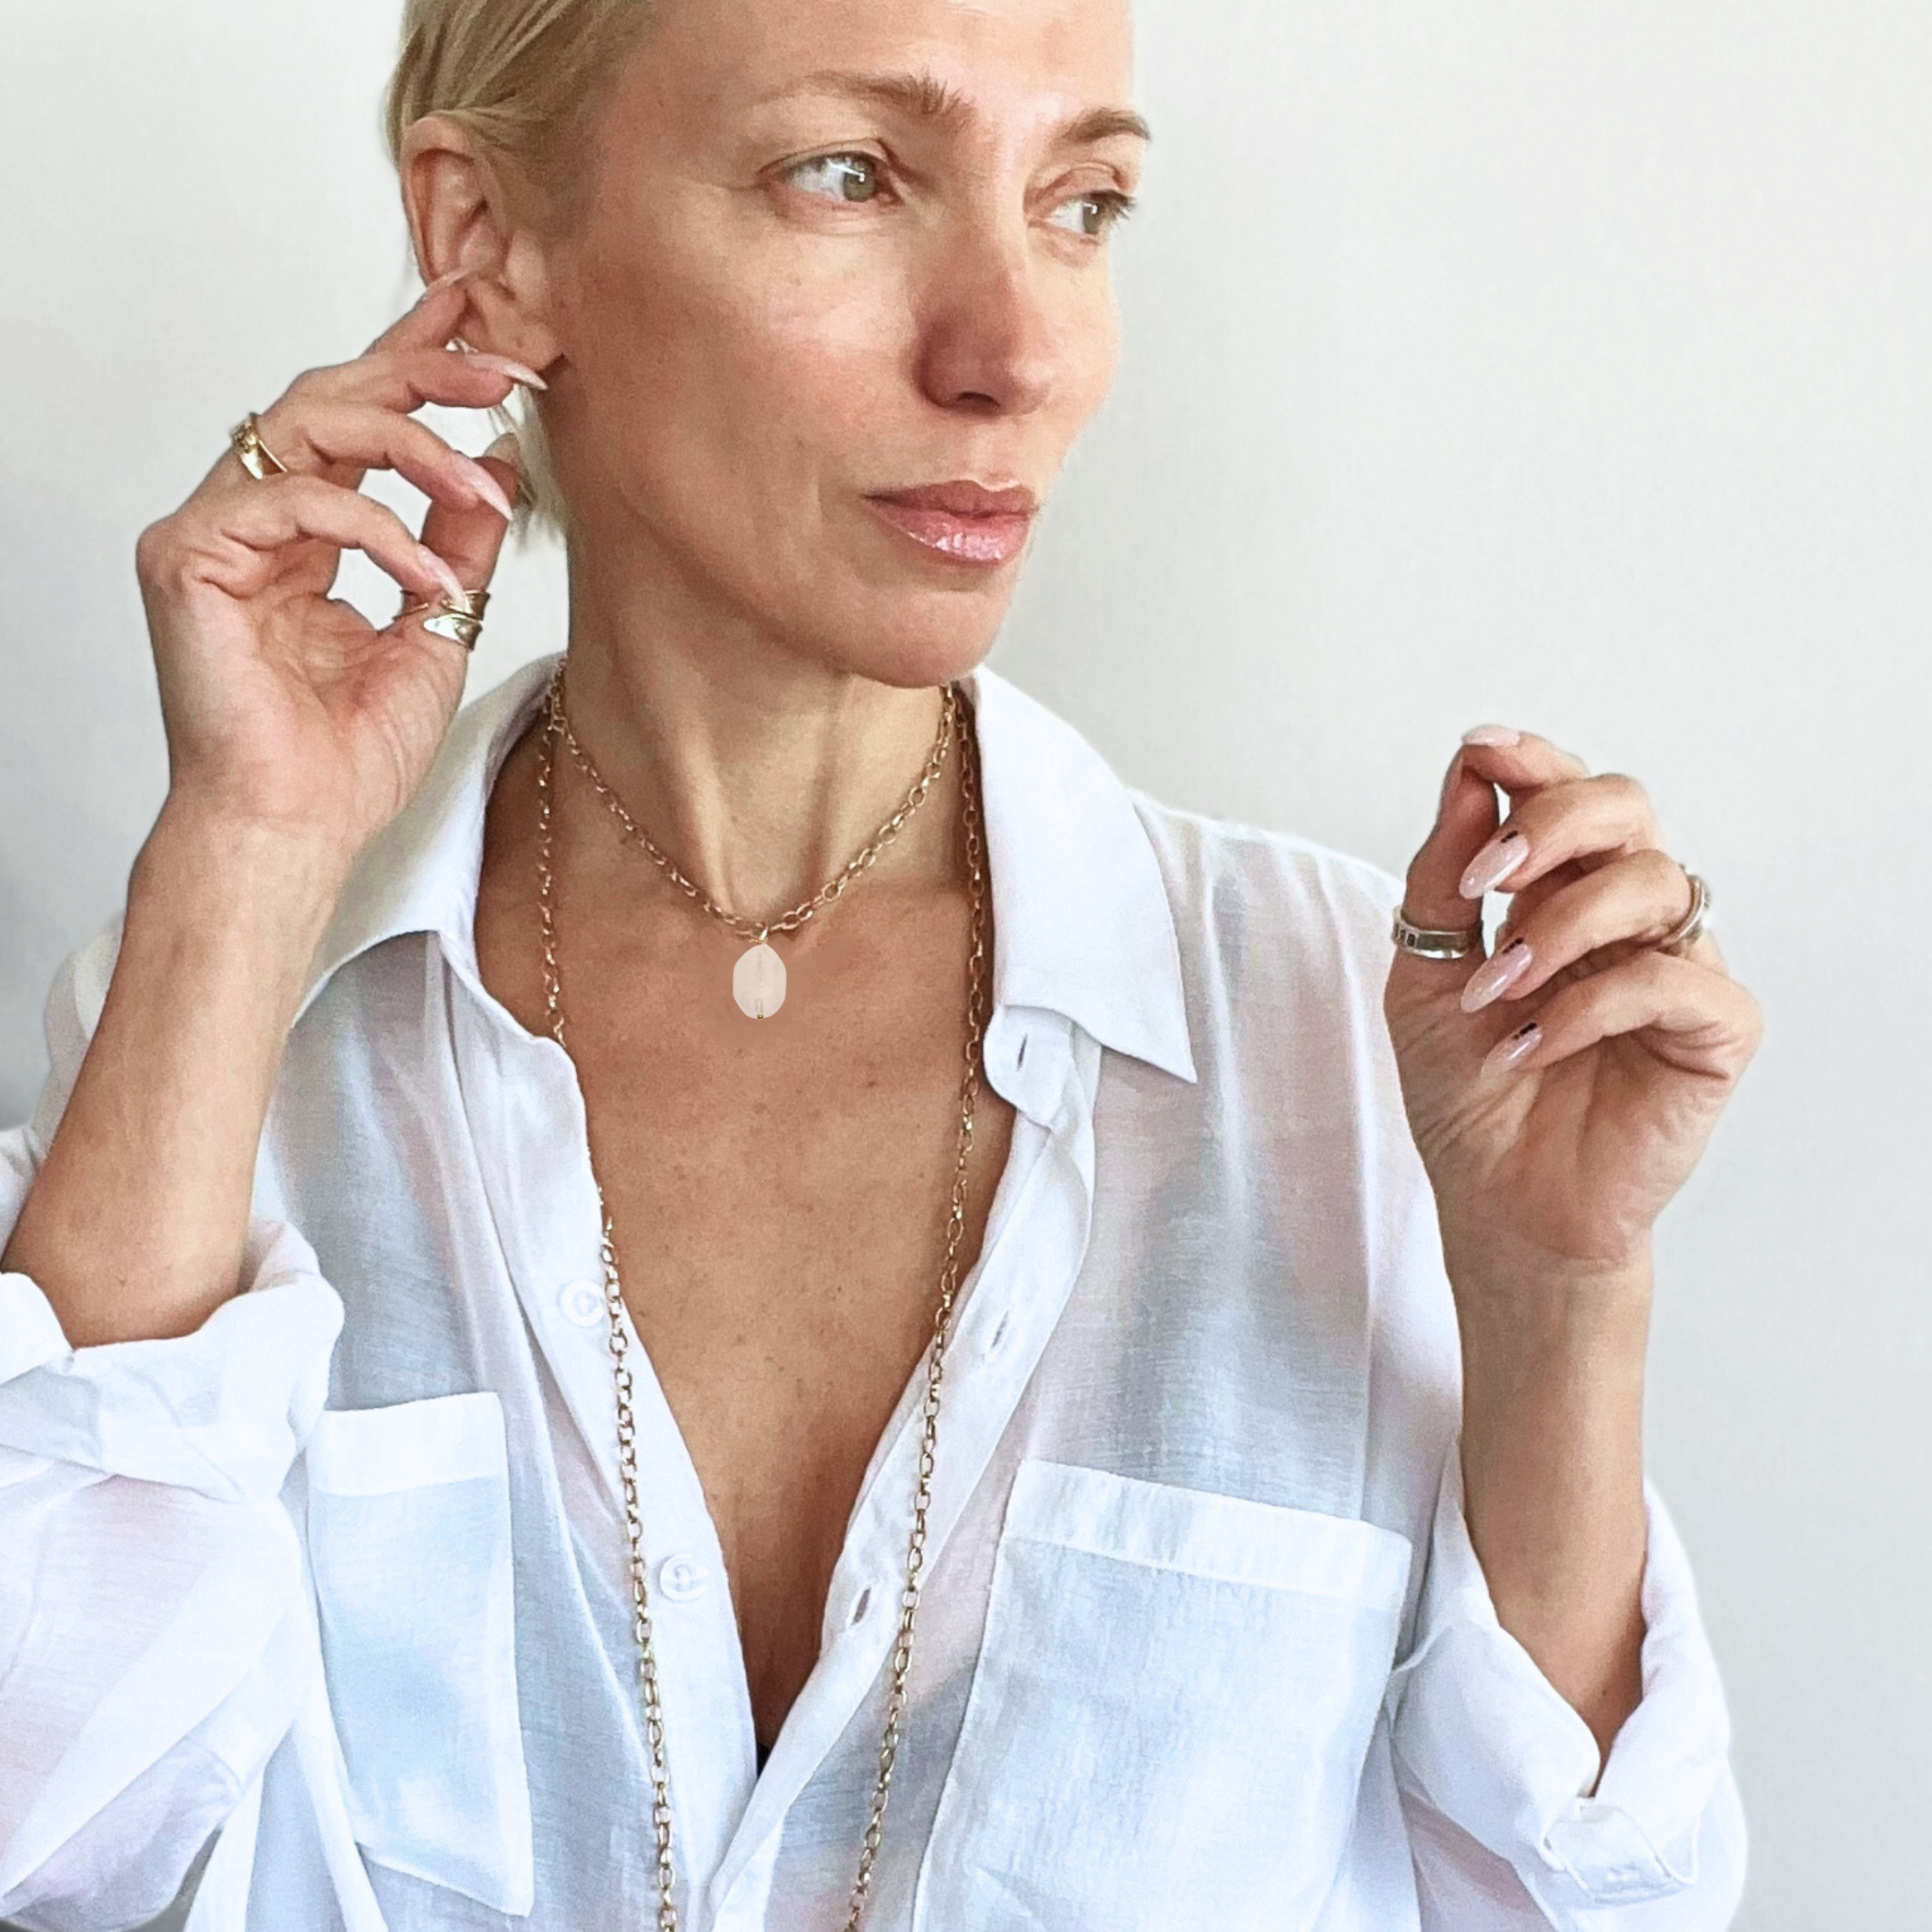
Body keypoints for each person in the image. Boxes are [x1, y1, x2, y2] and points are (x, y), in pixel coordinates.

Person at [0, 0, 1764, 1926]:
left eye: (1082, 204)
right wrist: (246, 854)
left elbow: (1580, 1908)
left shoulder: (1365, 1038)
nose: (1014, 355)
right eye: (850, 175)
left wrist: (1555, 1301)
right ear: (492, 240)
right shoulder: (232, 1028)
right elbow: (49, 1838)